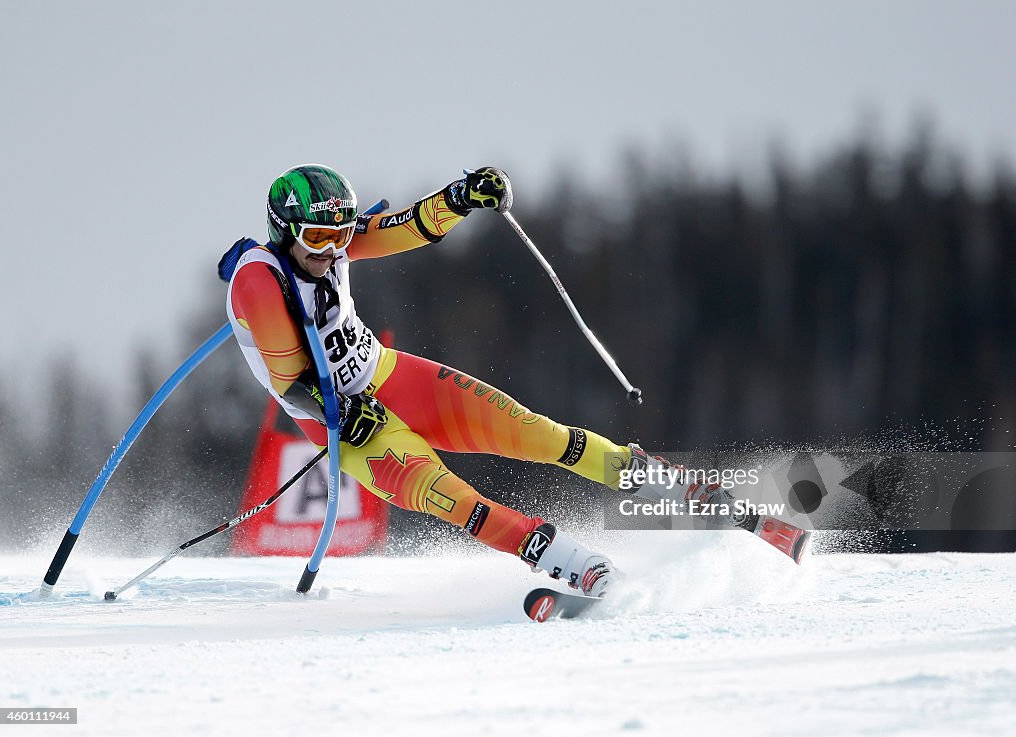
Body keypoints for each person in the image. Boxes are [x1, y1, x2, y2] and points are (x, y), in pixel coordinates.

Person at [221, 164, 738, 599]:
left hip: (391, 374)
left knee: (535, 433)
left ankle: (663, 485)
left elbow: (404, 228)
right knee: (452, 496)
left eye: (341, 235)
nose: (333, 250)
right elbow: (290, 381)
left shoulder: (329, 244)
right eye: (317, 238)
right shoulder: (258, 283)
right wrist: (346, 414)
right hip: (343, 423)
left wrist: (460, 197)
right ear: (284, 231)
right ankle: (572, 563)